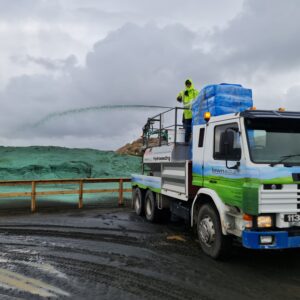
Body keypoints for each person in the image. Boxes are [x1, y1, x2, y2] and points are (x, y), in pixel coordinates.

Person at [176, 79, 199, 143]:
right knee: (187, 130)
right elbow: (178, 97)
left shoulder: (195, 91)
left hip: (194, 113)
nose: (188, 85)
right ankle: (187, 142)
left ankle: (195, 142)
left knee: (195, 129)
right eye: (187, 84)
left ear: (191, 84)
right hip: (187, 114)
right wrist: (179, 98)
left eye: (189, 83)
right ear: (185, 85)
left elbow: (199, 98)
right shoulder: (183, 92)